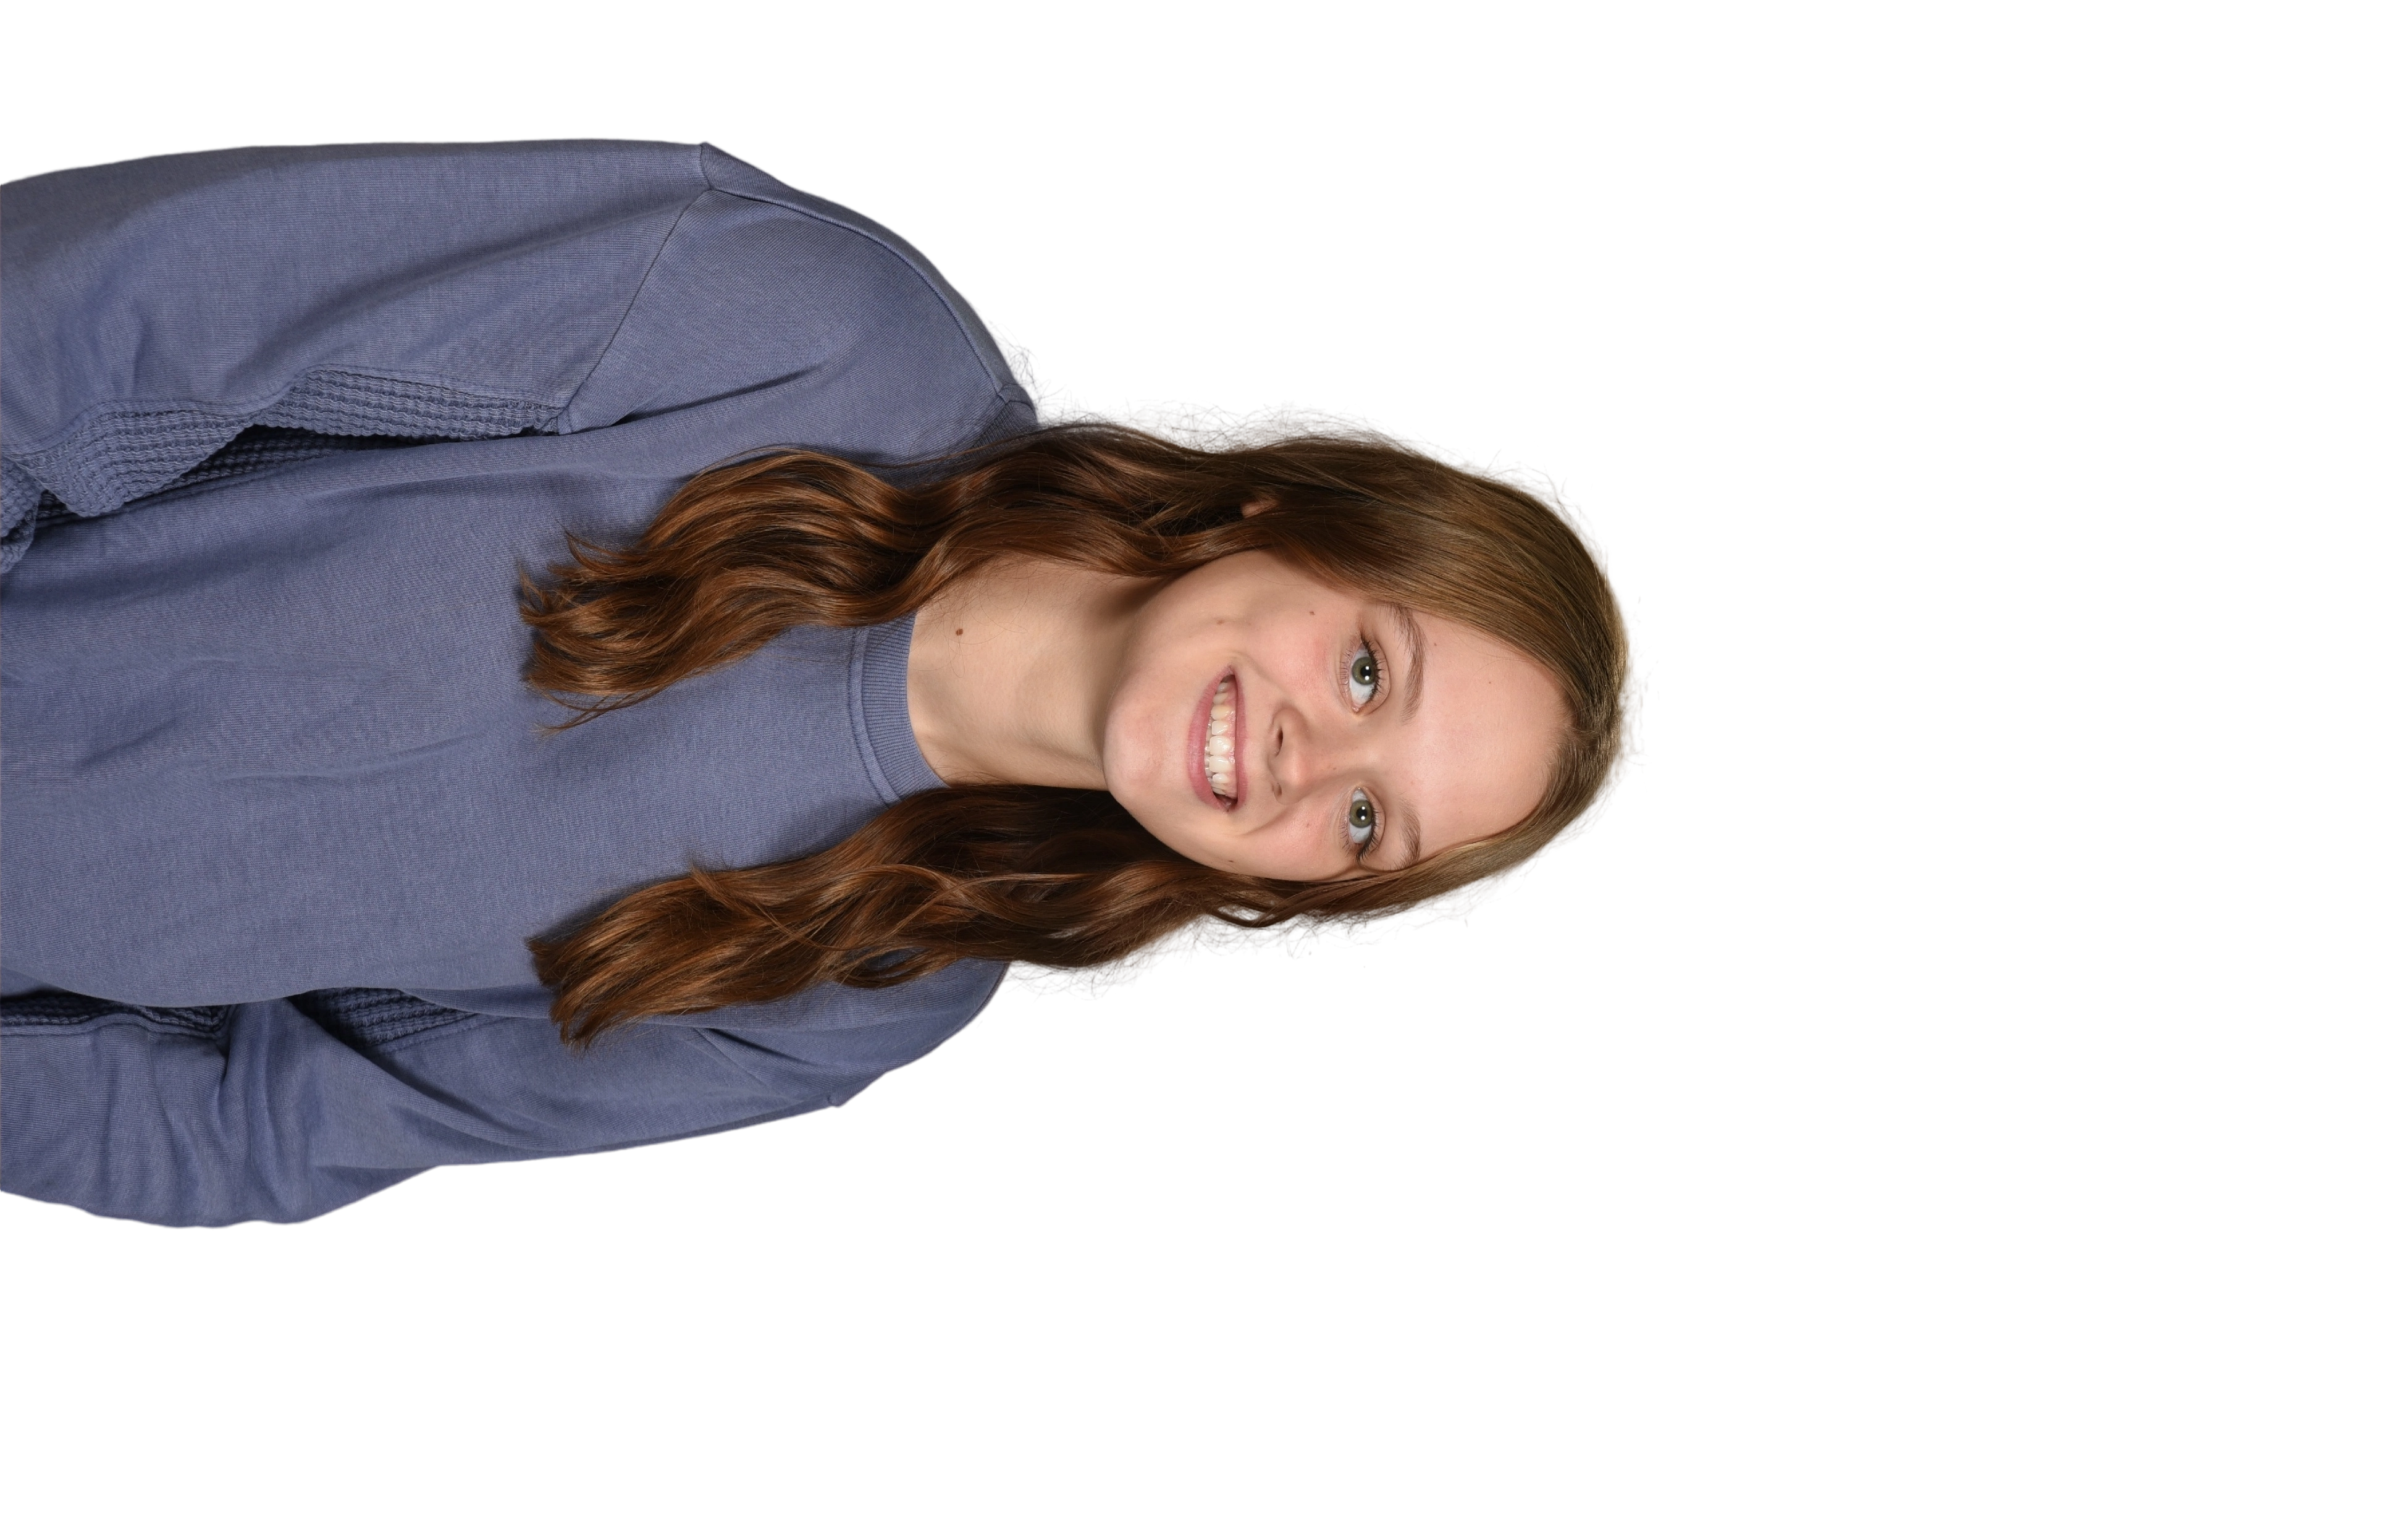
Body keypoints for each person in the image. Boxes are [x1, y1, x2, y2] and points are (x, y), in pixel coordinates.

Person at [1, 137, 1653, 1229]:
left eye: (1366, 824)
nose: (1306, 759)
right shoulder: (806, 326)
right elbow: (121, 318)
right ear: (1293, 511)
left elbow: (265, 1124)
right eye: (1367, 669)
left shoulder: (861, 991)